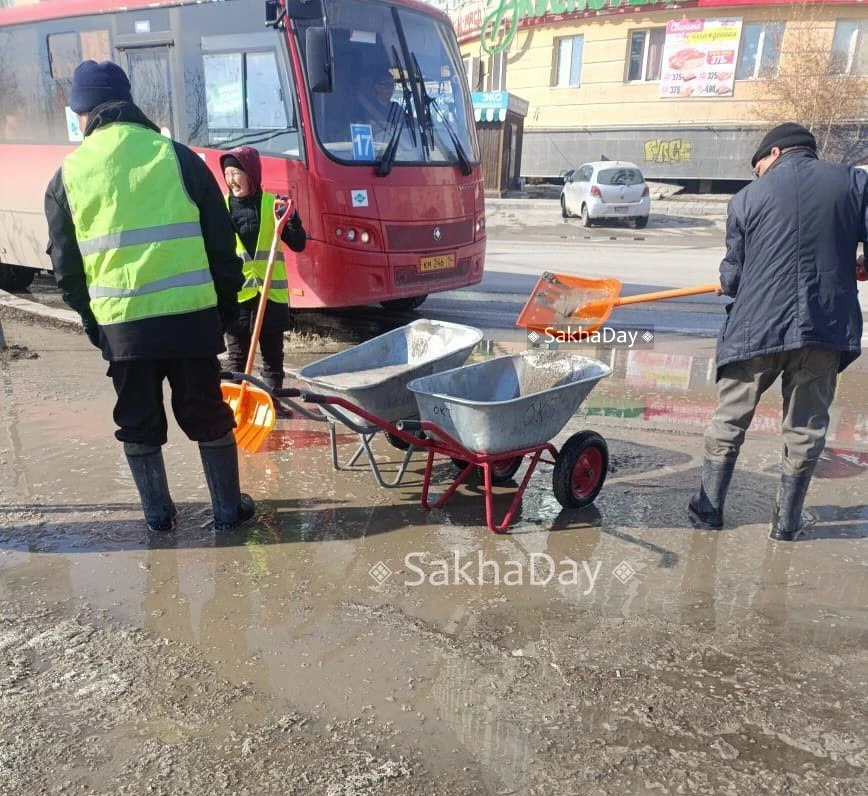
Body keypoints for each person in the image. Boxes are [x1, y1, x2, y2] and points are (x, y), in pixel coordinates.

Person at [44, 60, 256, 534]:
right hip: (191, 320)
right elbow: (221, 245)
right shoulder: (178, 157)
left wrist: (95, 325)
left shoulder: (67, 176)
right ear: (129, 101)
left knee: (137, 422)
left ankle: (159, 519)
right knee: (208, 415)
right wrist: (221, 311)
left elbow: (67, 272)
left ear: (81, 113)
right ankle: (229, 512)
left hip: (123, 328)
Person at [688, 122, 868, 541]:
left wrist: (726, 280)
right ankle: (786, 524)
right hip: (823, 327)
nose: (758, 176)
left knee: (730, 419)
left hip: (756, 328)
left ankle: (709, 510)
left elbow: (734, 277)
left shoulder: (745, 199)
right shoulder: (853, 183)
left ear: (774, 153)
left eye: (758, 168)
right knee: (805, 427)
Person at [219, 146, 306, 414]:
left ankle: (272, 404)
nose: (231, 180)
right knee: (237, 356)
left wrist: (292, 220)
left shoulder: (273, 205)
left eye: (236, 173)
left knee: (272, 356)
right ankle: (236, 407)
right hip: (238, 294)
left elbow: (298, 243)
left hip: (270, 294)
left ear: (251, 174)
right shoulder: (220, 207)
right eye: (227, 174)